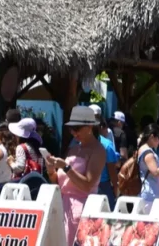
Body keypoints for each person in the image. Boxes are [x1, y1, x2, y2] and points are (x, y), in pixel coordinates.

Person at [50, 105, 108, 246]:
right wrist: (51, 170)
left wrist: (66, 167)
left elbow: (88, 184)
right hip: (64, 206)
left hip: (83, 209)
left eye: (77, 128)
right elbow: (59, 183)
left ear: (89, 127)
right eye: (71, 129)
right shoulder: (74, 148)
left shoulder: (98, 151)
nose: (74, 133)